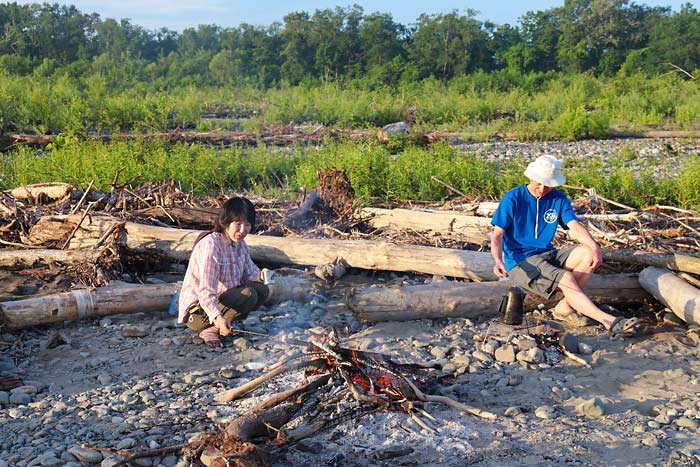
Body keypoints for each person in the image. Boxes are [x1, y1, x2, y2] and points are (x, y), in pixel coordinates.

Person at [490, 155, 639, 337]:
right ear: (531, 177)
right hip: (521, 260)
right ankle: (609, 321)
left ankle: (564, 308)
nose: (542, 189)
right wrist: (498, 260)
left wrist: (594, 247)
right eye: (539, 183)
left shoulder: (558, 198)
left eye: (548, 185)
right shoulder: (513, 197)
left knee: (588, 255)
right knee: (567, 278)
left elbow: (574, 226)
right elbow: (497, 235)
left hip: (547, 253)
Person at [178, 196, 269, 347]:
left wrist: (263, 275)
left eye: (247, 225)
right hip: (198, 312)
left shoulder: (239, 244)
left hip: (223, 300)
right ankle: (211, 330)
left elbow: (250, 273)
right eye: (238, 224)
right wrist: (217, 318)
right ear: (226, 222)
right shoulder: (211, 245)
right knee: (248, 294)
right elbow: (205, 292)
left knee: (261, 290)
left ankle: (227, 323)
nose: (242, 230)